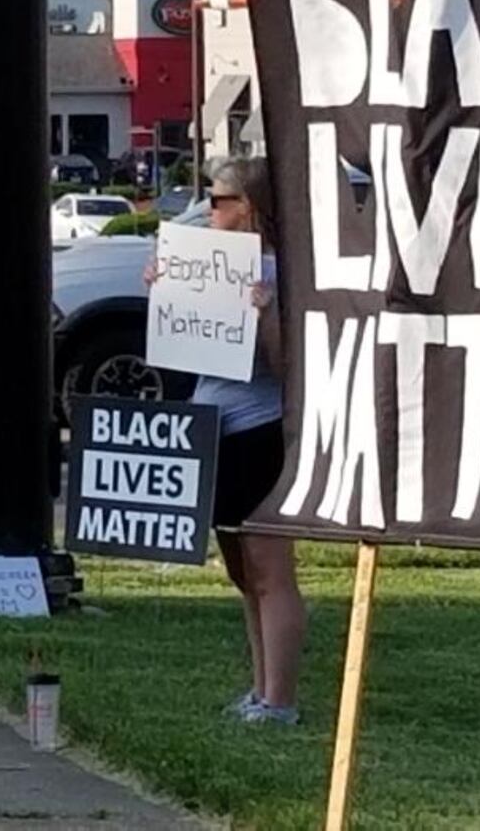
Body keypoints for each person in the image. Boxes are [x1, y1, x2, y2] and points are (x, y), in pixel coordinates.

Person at [147, 157, 304, 725]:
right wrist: (166, 295)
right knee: (241, 572)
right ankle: (260, 689)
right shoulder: (210, 263)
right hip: (214, 427)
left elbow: (291, 369)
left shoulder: (282, 273)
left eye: (219, 201)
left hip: (260, 426)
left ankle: (280, 698)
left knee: (269, 568)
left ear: (249, 207)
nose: (209, 211)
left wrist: (265, 314)